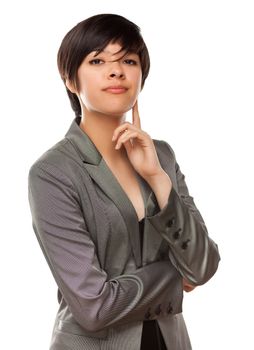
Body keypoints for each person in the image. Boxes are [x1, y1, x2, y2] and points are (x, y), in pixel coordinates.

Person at [28, 13, 220, 350]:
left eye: (128, 60)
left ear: (141, 75)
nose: (116, 70)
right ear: (70, 80)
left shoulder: (161, 156)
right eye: (98, 60)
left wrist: (157, 177)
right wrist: (175, 275)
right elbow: (93, 307)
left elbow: (204, 265)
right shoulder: (53, 172)